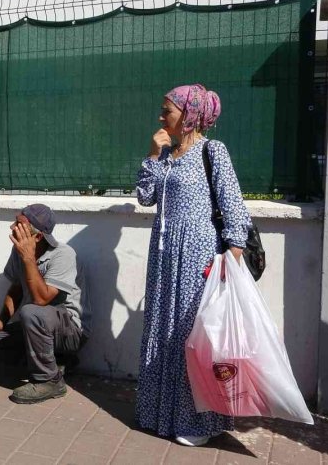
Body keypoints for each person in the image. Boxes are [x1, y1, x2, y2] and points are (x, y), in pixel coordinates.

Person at [135, 84, 251, 447]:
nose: (160, 116)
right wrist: (154, 155)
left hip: (199, 260)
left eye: (167, 110)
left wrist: (227, 266)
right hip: (165, 260)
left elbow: (234, 210)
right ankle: (159, 414)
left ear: (188, 115)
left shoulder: (212, 152)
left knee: (193, 339)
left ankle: (199, 422)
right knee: (163, 334)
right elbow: (144, 197)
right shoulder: (167, 155)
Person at [0, 204, 86, 404]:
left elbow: (41, 299)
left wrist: (28, 258)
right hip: (38, 328)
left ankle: (50, 381)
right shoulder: (18, 250)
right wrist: (1, 320)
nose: (12, 227)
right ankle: (59, 364)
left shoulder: (64, 254)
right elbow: (17, 288)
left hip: (70, 332)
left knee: (32, 311)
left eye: (19, 224)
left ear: (37, 237)